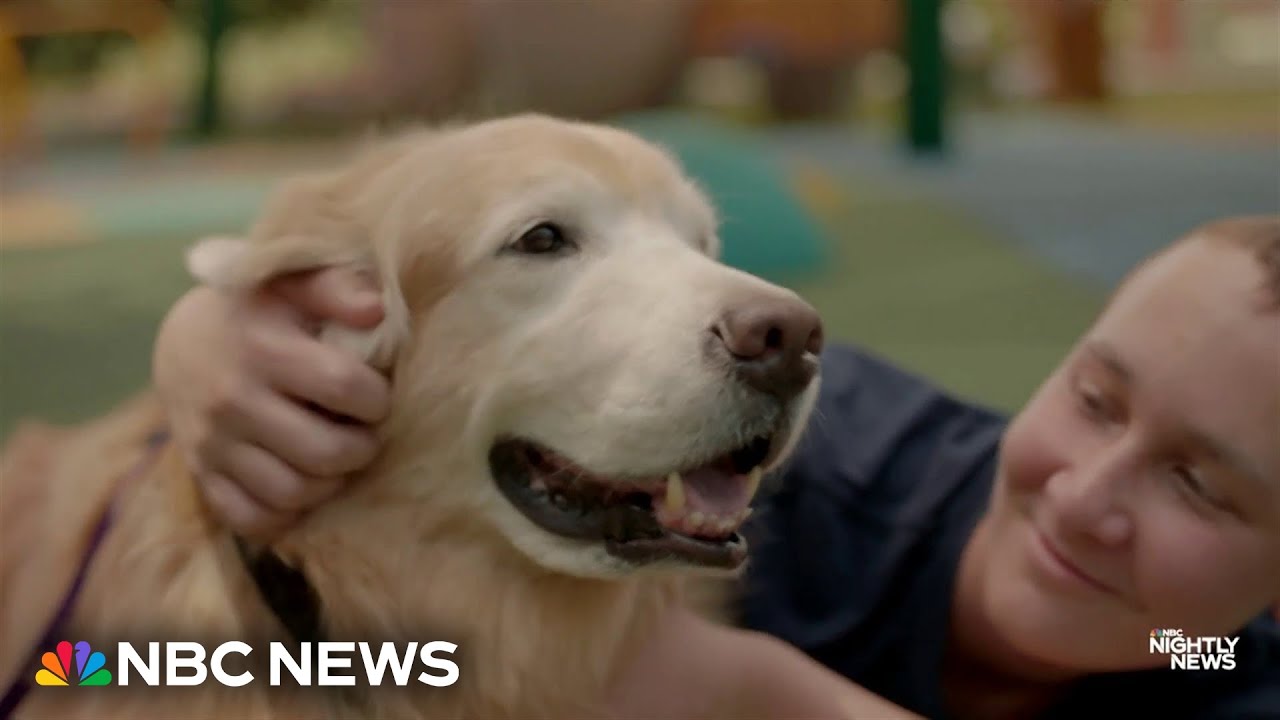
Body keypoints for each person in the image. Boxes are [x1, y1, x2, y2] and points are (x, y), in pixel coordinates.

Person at [151, 216, 1280, 719]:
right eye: (1093, 399)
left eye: (1199, 486)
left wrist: (756, 693)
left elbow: (1196, 650)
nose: (1080, 498)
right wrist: (211, 334)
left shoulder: (1204, 653)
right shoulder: (749, 461)